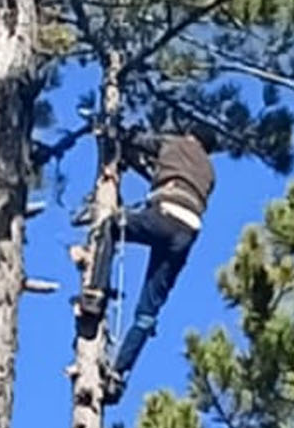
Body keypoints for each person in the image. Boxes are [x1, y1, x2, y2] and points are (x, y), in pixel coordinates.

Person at [80, 127, 216, 405]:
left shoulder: (175, 142)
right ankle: (118, 375)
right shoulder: (209, 171)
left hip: (163, 213)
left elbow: (139, 140)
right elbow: (176, 178)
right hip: (188, 231)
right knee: (147, 311)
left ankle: (94, 293)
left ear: (192, 136)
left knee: (111, 227)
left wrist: (116, 131)